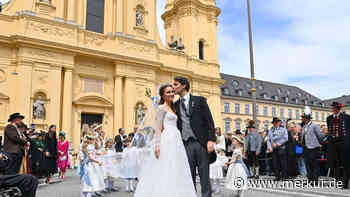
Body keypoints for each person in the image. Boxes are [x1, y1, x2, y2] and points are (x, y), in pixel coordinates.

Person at [133, 83, 197, 197]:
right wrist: (157, 145)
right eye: (168, 92)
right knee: (165, 166)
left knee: (176, 167)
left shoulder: (173, 108)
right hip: (166, 139)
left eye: (172, 91)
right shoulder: (161, 108)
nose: (172, 94)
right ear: (162, 95)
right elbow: (158, 128)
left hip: (176, 139)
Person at [173, 76, 216, 197]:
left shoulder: (199, 100)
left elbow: (209, 121)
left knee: (204, 177)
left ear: (184, 86)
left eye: (176, 84)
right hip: (185, 144)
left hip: (201, 143)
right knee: (188, 176)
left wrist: (211, 140)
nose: (173, 87)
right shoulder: (175, 105)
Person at [300, 106, 327, 185]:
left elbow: (321, 136)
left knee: (314, 165)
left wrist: (320, 143)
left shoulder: (314, 125)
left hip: (313, 148)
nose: (302, 119)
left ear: (306, 118)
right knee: (307, 165)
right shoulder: (304, 126)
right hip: (305, 148)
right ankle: (310, 179)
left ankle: (315, 180)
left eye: (303, 118)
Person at [327, 102, 350, 188]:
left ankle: (345, 183)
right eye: (333, 108)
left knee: (345, 163)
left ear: (338, 109)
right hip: (333, 143)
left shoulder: (346, 117)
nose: (333, 109)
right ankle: (338, 182)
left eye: (335, 108)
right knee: (335, 163)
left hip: (344, 143)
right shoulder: (329, 118)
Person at [79, 131, 105, 197]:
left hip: (87, 165)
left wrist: (100, 153)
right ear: (91, 140)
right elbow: (90, 157)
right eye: (93, 139)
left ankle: (85, 193)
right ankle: (88, 193)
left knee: (87, 179)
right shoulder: (89, 146)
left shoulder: (87, 146)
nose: (94, 140)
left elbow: (93, 153)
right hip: (90, 165)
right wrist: (97, 161)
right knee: (91, 178)